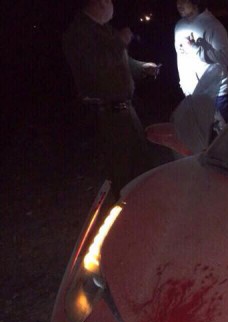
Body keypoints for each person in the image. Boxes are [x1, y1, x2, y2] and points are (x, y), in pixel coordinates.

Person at [63, 0, 161, 197]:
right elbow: (96, 68)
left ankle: (145, 211)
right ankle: (125, 218)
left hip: (126, 111)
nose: (112, 5)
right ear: (98, 4)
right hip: (108, 113)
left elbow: (120, 62)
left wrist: (142, 67)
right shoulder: (78, 33)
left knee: (142, 167)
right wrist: (119, 42)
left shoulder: (104, 29)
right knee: (122, 173)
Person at [175, 0, 228, 123]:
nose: (179, 5)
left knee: (221, 138)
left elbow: (225, 58)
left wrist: (195, 48)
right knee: (201, 139)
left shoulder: (213, 25)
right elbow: (180, 59)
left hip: (216, 95)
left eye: (183, 1)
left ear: (195, 2)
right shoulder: (179, 26)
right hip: (192, 95)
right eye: (177, 1)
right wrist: (184, 86)